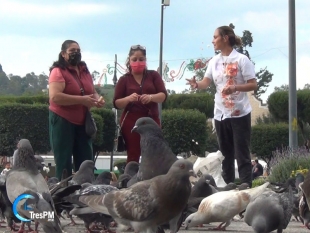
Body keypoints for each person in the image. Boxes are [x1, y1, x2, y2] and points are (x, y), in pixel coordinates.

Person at [186, 26, 257, 187]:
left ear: (225, 38)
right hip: (220, 113)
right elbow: (206, 82)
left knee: (242, 154)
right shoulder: (214, 61)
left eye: (215, 37)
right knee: (225, 155)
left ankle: (246, 188)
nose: (212, 41)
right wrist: (196, 84)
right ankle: (228, 188)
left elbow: (253, 84)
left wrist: (235, 87)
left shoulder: (241, 59)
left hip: (240, 113)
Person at [48, 40, 105, 180]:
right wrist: (82, 100)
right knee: (64, 162)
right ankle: (63, 195)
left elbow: (91, 90)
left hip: (82, 122)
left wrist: (98, 99)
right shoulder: (58, 71)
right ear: (63, 54)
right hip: (62, 120)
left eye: (78, 50)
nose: (76, 53)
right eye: (72, 51)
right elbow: (55, 97)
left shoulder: (84, 70)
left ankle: (85, 191)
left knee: (86, 161)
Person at [113, 44, 168, 164]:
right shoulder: (124, 80)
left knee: (154, 152)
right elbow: (117, 103)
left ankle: (154, 179)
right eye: (134, 59)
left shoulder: (153, 75)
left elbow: (163, 96)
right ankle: (131, 180)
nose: (138, 62)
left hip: (151, 119)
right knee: (133, 154)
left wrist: (151, 97)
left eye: (141, 59)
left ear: (145, 60)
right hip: (131, 122)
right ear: (129, 60)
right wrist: (128, 99)